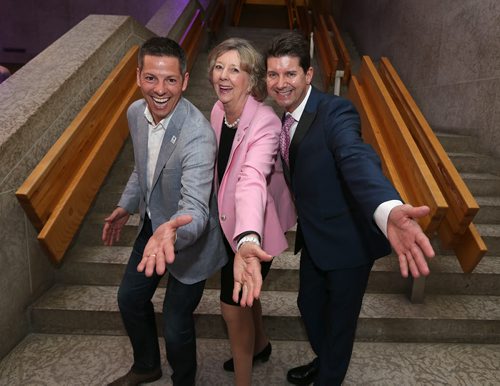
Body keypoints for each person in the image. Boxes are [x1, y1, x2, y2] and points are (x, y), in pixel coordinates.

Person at [236, 31, 436, 385]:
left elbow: (355, 158)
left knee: (340, 323)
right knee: (309, 308)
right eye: (273, 75)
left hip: (349, 241)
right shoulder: (283, 117)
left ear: (309, 74)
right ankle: (325, 360)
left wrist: (387, 208)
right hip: (315, 237)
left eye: (290, 74)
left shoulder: (335, 111)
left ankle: (329, 375)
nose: (280, 84)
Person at [102, 37, 227, 386]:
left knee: (175, 324)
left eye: (171, 80)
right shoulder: (134, 115)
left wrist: (173, 230)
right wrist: (125, 205)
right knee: (129, 300)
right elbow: (143, 167)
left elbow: (197, 209)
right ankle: (146, 366)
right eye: (152, 78)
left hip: (189, 237)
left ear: (185, 81)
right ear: (138, 76)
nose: (160, 89)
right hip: (151, 226)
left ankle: (183, 380)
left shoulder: (198, 135)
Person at [207, 38, 296, 386]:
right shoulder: (218, 110)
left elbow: (251, 180)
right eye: (218, 66)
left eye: (235, 69)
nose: (224, 76)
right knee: (247, 299)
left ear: (252, 79)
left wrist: (246, 238)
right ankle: (260, 345)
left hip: (257, 229)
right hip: (227, 222)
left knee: (232, 306)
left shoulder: (266, 122)